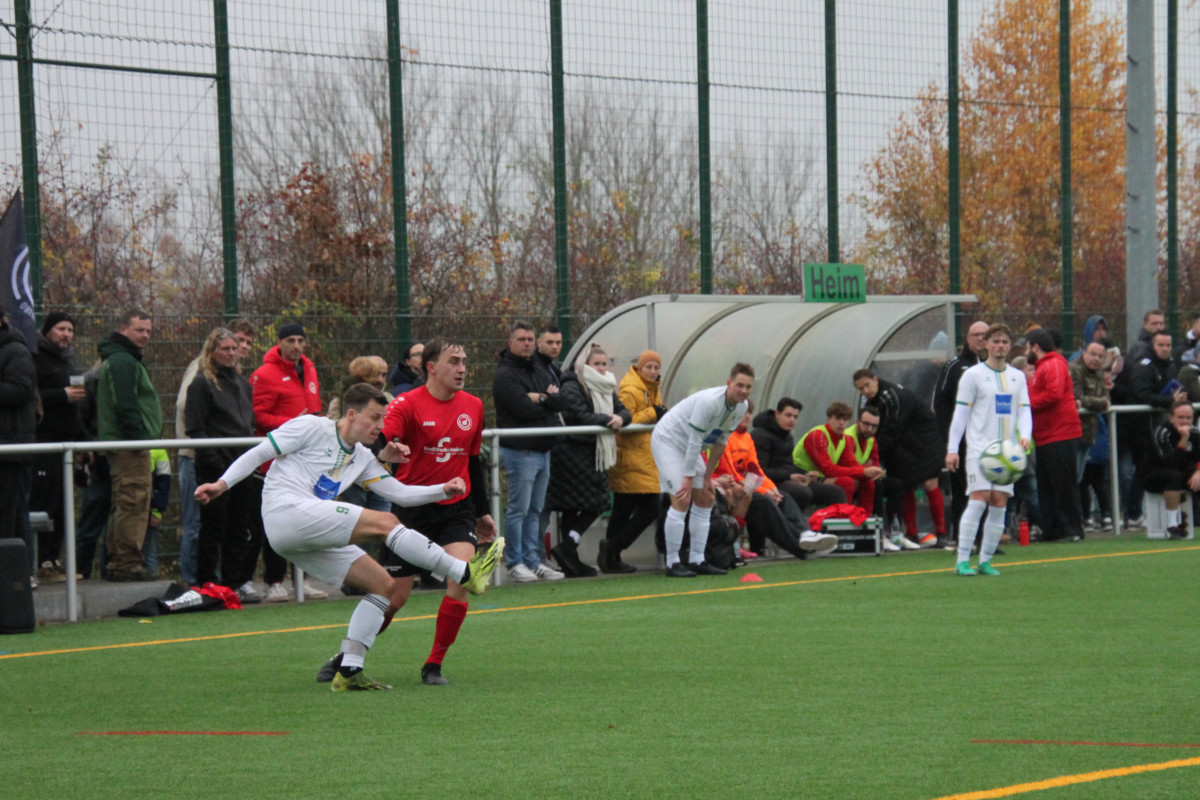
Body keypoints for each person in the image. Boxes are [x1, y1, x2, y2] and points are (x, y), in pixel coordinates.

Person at [195, 382, 503, 691]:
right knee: (386, 521)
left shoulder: (361, 457)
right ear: (352, 414)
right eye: (375, 417)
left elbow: (401, 493)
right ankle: (465, 573)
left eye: (383, 419)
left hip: (300, 534)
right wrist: (221, 485)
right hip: (283, 512)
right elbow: (259, 452)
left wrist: (442, 489)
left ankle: (350, 671)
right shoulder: (312, 426)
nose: (381, 426)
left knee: (383, 586)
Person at [370, 336, 498, 685]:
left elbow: (472, 464)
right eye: (454, 362)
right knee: (393, 598)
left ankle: (434, 665)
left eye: (464, 361)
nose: (462, 369)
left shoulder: (472, 406)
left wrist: (482, 512)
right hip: (412, 511)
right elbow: (381, 439)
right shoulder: (406, 404)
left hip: (456, 509)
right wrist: (388, 447)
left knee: (460, 580)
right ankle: (348, 654)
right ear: (431, 367)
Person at [651, 362, 754, 577]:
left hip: (690, 446)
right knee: (682, 497)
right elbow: (694, 442)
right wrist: (688, 479)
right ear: (729, 383)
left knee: (706, 496)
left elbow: (720, 442)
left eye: (748, 387)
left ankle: (698, 559)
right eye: (739, 386)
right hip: (669, 441)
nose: (743, 391)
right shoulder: (709, 402)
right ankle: (672, 563)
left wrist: (708, 478)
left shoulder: (741, 407)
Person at [945, 324, 1032, 576]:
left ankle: (985, 560)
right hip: (980, 448)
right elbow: (960, 414)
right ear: (986, 344)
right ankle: (963, 559)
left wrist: (1024, 435)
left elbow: (1025, 409)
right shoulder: (973, 375)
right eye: (995, 341)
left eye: (1005, 341)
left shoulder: (1017, 377)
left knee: (999, 501)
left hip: (1007, 450)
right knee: (979, 498)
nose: (1000, 346)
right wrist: (952, 449)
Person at [249, 320, 326, 601]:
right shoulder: (264, 374)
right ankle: (274, 581)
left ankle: (302, 579)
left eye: (300, 341)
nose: (296, 346)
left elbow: (314, 410)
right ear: (279, 342)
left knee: (309, 520)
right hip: (278, 462)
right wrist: (296, 425)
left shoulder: (310, 369)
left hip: (307, 461)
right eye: (290, 340)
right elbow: (259, 416)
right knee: (277, 521)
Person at [546, 344, 631, 577]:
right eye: (597, 364)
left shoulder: (606, 386)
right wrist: (609, 419)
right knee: (587, 504)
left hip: (593, 452)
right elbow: (580, 416)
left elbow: (625, 412)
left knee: (586, 505)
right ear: (585, 364)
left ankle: (568, 552)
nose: (602, 368)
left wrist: (619, 419)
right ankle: (568, 553)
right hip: (573, 451)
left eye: (605, 364)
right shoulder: (573, 385)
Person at [185, 327, 258, 599]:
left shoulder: (242, 383)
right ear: (212, 352)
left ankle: (233, 582)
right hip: (214, 468)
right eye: (224, 348)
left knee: (240, 527)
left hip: (242, 467)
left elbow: (249, 423)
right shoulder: (203, 383)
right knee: (213, 526)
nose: (230, 353)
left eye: (233, 348)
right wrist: (215, 463)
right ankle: (206, 582)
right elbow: (196, 428)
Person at [493, 321, 566, 582]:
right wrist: (544, 399)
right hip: (520, 451)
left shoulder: (539, 367)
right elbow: (522, 409)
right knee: (518, 509)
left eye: (530, 339)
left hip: (543, 448)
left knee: (535, 509)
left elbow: (559, 400)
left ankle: (533, 560)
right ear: (511, 342)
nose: (526, 343)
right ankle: (514, 562)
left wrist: (541, 398)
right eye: (521, 339)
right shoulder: (505, 375)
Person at [715, 405, 837, 557]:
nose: (747, 416)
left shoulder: (747, 438)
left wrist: (772, 489)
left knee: (783, 496)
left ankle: (806, 534)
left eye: (749, 412)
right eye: (743, 412)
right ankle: (802, 547)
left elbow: (756, 470)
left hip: (745, 486)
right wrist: (764, 490)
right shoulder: (725, 437)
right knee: (764, 503)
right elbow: (731, 473)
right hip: (730, 486)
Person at [97, 309, 162, 582]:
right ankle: (126, 564)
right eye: (139, 330)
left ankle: (118, 562)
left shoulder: (120, 359)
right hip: (129, 445)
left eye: (148, 331)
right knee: (133, 501)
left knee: (124, 502)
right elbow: (125, 405)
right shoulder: (124, 361)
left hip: (123, 443)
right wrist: (139, 439)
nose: (145, 336)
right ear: (124, 330)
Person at [852, 368, 946, 547]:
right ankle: (911, 533)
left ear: (875, 379)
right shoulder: (873, 400)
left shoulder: (893, 397)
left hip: (926, 439)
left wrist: (876, 457)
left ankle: (941, 534)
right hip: (904, 443)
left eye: (867, 385)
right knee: (906, 484)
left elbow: (891, 429)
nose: (865, 391)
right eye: (860, 389)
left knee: (929, 482)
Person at [29, 311, 87, 581]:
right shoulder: (35, 357)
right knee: (45, 503)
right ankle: (42, 562)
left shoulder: (66, 361)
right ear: (49, 330)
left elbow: (72, 412)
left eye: (70, 330)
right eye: (61, 329)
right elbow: (32, 397)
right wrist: (61, 395)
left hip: (66, 444)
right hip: (43, 443)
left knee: (64, 505)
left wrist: (85, 442)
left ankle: (54, 560)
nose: (67, 334)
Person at [603, 350, 666, 574]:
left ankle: (611, 553)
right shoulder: (630, 390)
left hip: (642, 458)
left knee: (624, 509)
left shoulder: (652, 390)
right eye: (648, 367)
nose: (652, 371)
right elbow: (625, 422)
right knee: (648, 509)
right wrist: (652, 413)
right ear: (639, 368)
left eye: (655, 367)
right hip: (631, 458)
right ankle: (612, 550)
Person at [792, 402, 891, 544]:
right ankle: (844, 529)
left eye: (845, 420)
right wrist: (864, 470)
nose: (841, 423)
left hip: (820, 478)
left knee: (868, 482)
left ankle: (865, 529)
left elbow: (852, 465)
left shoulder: (844, 439)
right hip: (802, 478)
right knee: (846, 482)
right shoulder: (817, 435)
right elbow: (829, 470)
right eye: (837, 418)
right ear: (828, 419)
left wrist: (869, 473)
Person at [1026, 328, 1086, 543]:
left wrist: (1025, 405)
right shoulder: (1045, 366)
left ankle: (1072, 530)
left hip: (1059, 433)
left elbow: (1053, 394)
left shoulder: (1052, 364)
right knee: (1048, 486)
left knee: (1062, 484)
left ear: (1035, 346)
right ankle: (1053, 529)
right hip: (1047, 434)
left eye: (1027, 347)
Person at [934, 320, 989, 547]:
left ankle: (985, 539)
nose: (981, 339)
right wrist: (950, 441)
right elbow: (941, 402)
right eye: (976, 335)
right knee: (963, 489)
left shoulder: (995, 367)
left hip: (987, 439)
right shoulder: (954, 365)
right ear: (967, 338)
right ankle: (962, 538)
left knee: (987, 488)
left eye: (985, 335)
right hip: (962, 441)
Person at [751, 397, 846, 515]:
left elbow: (788, 465)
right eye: (788, 415)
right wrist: (790, 476)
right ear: (777, 414)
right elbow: (760, 471)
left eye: (795, 417)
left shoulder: (787, 436)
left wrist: (805, 473)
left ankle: (833, 528)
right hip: (770, 483)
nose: (792, 420)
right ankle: (796, 527)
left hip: (785, 479)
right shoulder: (761, 436)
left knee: (837, 492)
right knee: (802, 492)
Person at [0, 313, 36, 580]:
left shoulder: (15, 350)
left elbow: (21, 390)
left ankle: (18, 578)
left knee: (11, 519)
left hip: (10, 450)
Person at [1138, 398, 1200, 539]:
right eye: (1180, 417)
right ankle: (1172, 526)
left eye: (1188, 418)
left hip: (1182, 472)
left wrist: (1199, 471)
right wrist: (1184, 439)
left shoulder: (1195, 433)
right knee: (1174, 475)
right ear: (1171, 418)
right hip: (1154, 475)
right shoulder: (1162, 433)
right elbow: (1171, 462)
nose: (1185, 421)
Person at [1069, 340, 1111, 499]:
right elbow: (1077, 398)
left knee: (1078, 479)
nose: (1096, 359)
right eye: (1093, 354)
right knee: (1071, 479)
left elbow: (1107, 397)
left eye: (1101, 356)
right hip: (1072, 433)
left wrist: (1099, 402)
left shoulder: (1099, 372)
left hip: (1089, 434)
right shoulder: (1074, 369)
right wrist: (1100, 403)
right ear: (1084, 353)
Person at [327, 355, 390, 419]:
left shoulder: (389, 400)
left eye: (384, 375)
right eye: (375, 374)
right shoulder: (339, 402)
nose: (380, 380)